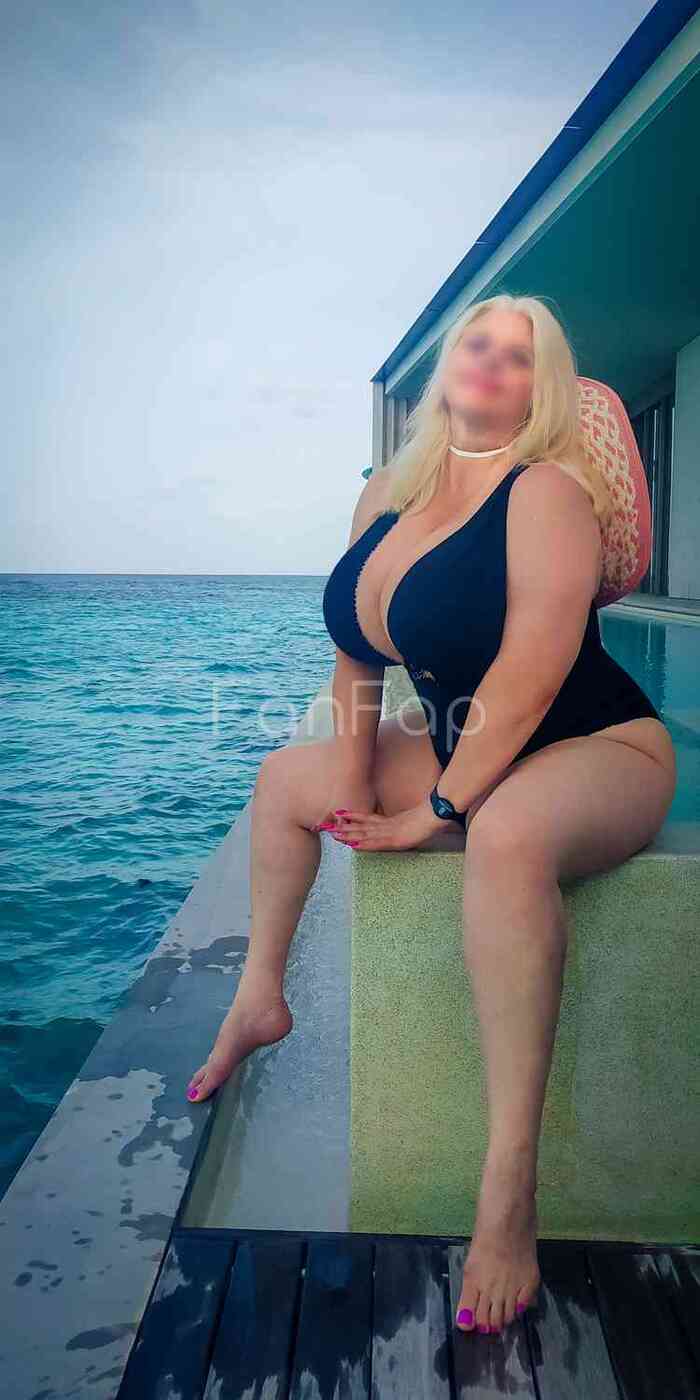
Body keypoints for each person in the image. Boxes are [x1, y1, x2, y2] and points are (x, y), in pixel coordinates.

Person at [185, 294, 676, 1338]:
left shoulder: (547, 492)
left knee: (506, 833)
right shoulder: (388, 494)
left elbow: (534, 672)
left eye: (519, 356)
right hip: (470, 739)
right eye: (478, 344)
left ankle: (509, 1186)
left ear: (540, 389)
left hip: (597, 745)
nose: (491, 363)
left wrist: (440, 808)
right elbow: (354, 656)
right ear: (449, 364)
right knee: (284, 779)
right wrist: (355, 779)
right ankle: (259, 1000)